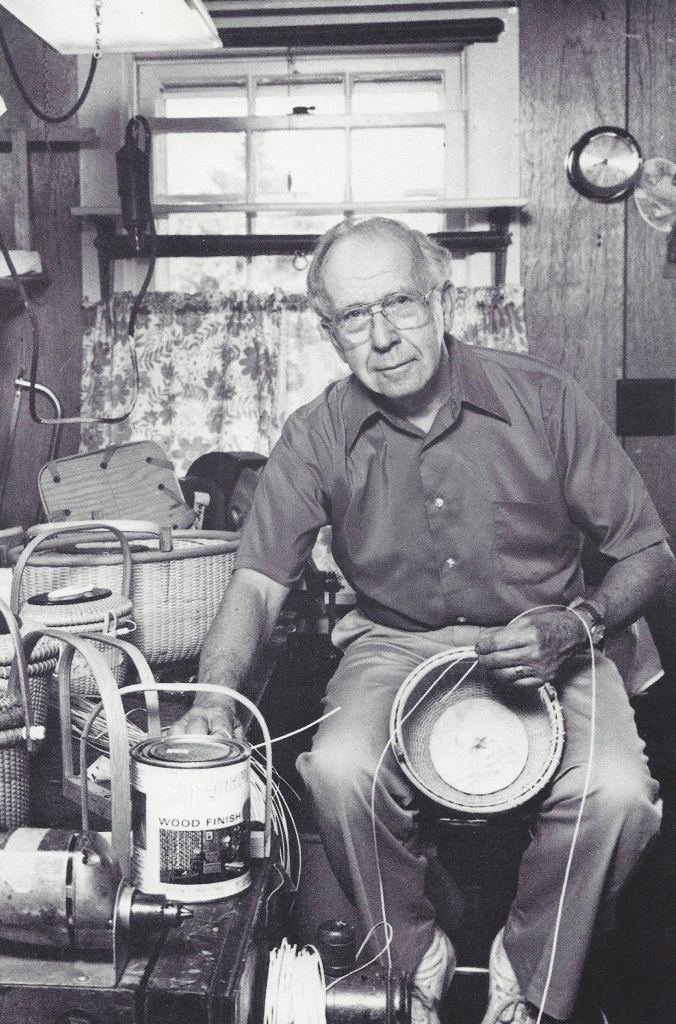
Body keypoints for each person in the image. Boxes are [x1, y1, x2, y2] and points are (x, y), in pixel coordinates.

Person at [169, 217, 674, 1024]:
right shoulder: (315, 434)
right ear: (330, 333)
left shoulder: (544, 399)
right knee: (337, 768)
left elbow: (650, 552)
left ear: (442, 298)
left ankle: (528, 978)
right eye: (354, 316)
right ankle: (413, 962)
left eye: (399, 303)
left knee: (616, 794)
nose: (384, 336)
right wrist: (215, 700)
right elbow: (259, 581)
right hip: (393, 642)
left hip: (552, 637)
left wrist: (577, 623)